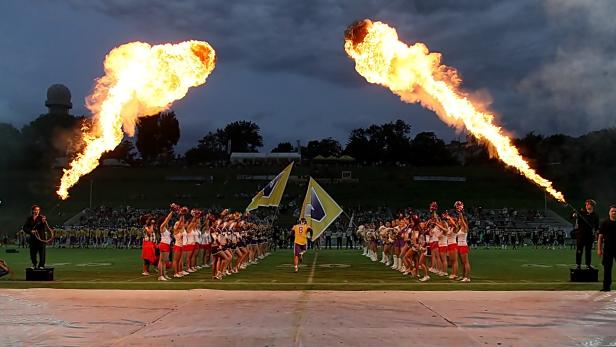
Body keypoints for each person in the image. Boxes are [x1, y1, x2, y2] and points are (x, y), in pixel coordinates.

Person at [573, 199, 600, 269]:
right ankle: (578, 264)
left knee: (588, 251)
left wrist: (596, 232)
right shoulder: (581, 213)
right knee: (579, 250)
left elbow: (597, 226)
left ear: (592, 206)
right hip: (581, 235)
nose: (586, 205)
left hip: (589, 236)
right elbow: (573, 216)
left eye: (588, 204)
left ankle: (588, 265)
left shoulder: (595, 215)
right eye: (586, 204)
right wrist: (574, 215)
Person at [597, 205, 616, 292]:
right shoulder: (605, 223)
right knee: (607, 268)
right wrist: (599, 249)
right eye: (612, 211)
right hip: (608, 249)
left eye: (615, 211)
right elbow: (600, 237)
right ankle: (606, 286)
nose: (614, 213)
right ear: (609, 212)